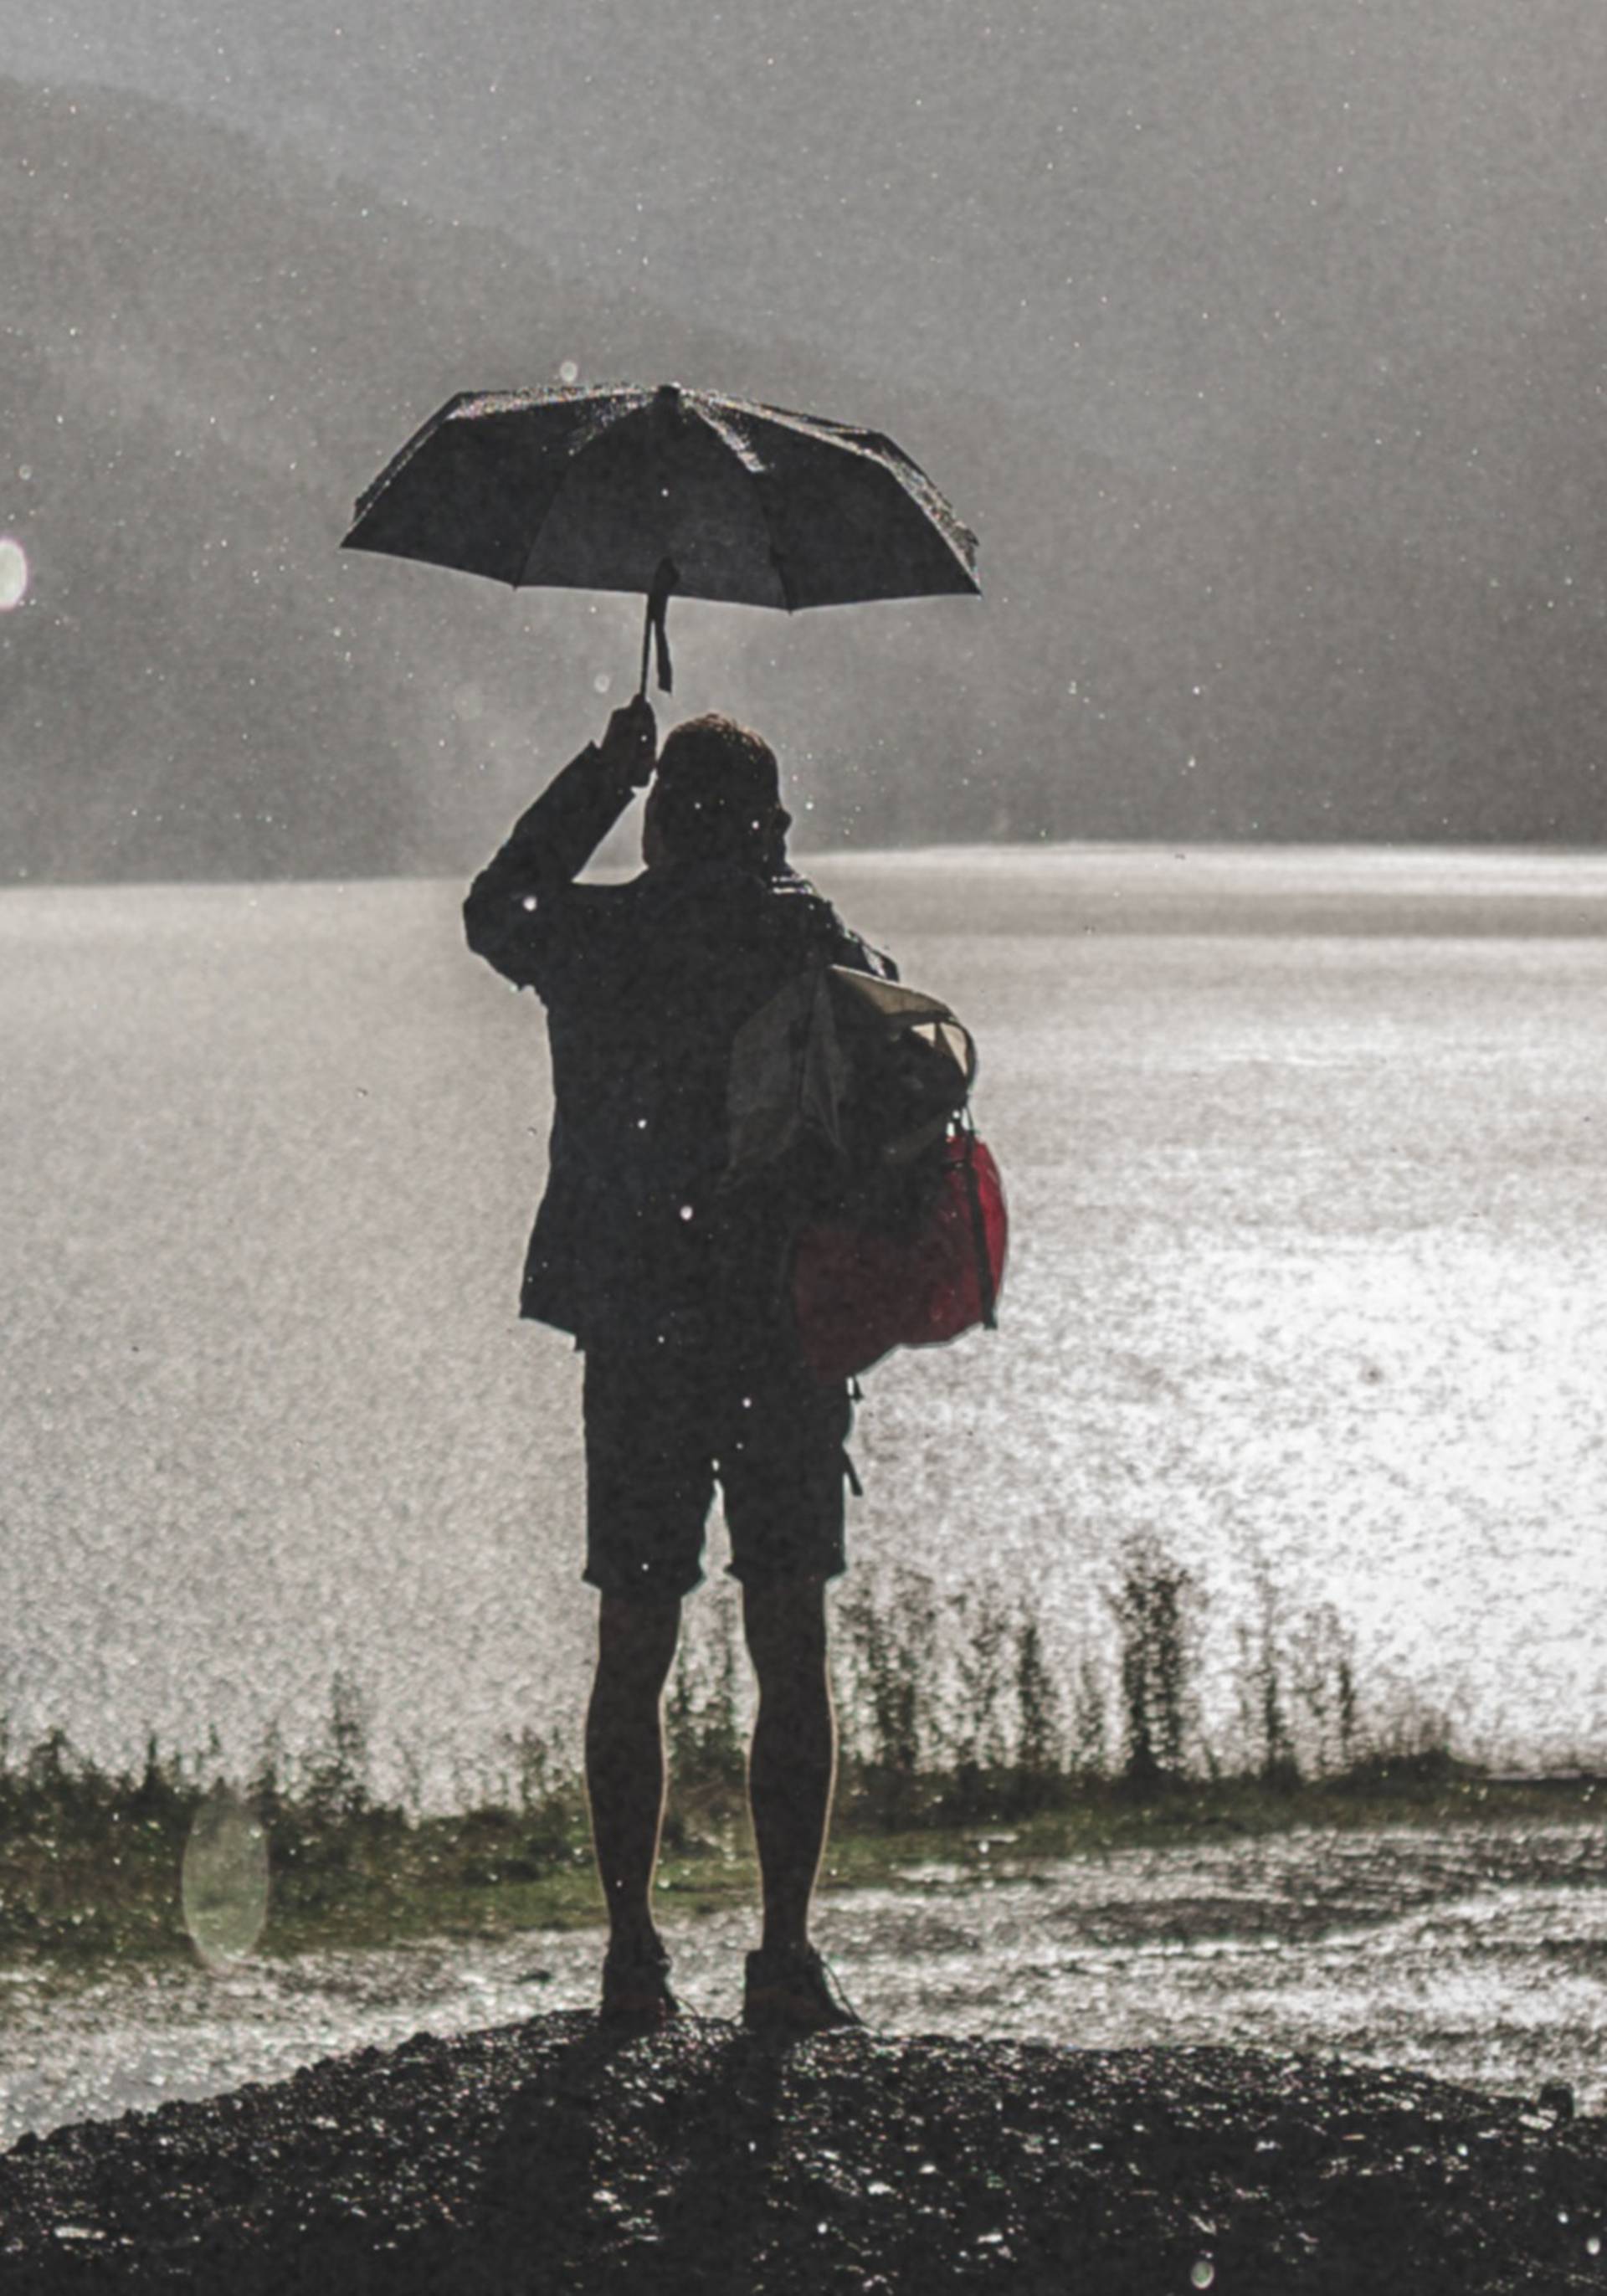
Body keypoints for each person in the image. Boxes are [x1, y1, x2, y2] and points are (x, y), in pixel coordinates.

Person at [463, 696, 895, 2035]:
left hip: (638, 1340)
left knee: (632, 1645)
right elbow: (895, 1080)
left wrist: (600, 769)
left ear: (658, 820)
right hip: (777, 1341)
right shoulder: (808, 940)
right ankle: (781, 1958)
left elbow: (496, 908)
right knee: (789, 1642)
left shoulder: (599, 940)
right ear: (767, 823)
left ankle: (633, 1956)